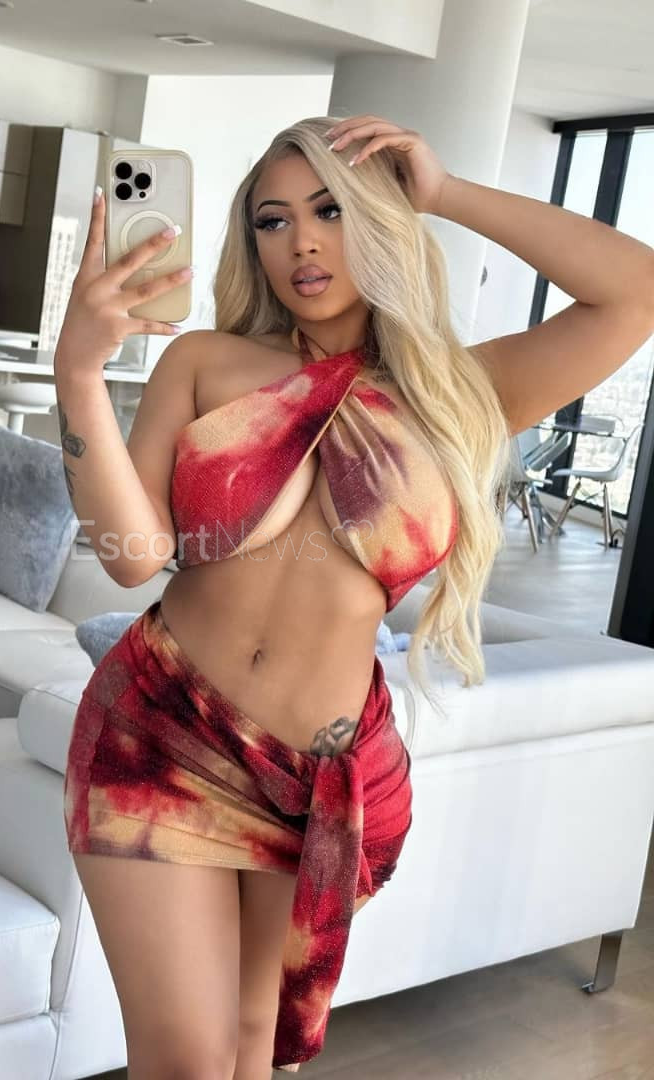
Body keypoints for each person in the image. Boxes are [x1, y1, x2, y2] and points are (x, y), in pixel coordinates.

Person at [54, 113, 654, 1078]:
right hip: (158, 733)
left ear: (381, 216)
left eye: (329, 210)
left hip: (318, 775)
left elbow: (636, 288)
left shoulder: (463, 392)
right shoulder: (203, 361)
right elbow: (134, 558)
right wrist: (79, 372)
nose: (302, 242)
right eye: (274, 220)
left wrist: (447, 192)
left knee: (254, 1051)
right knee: (187, 1063)